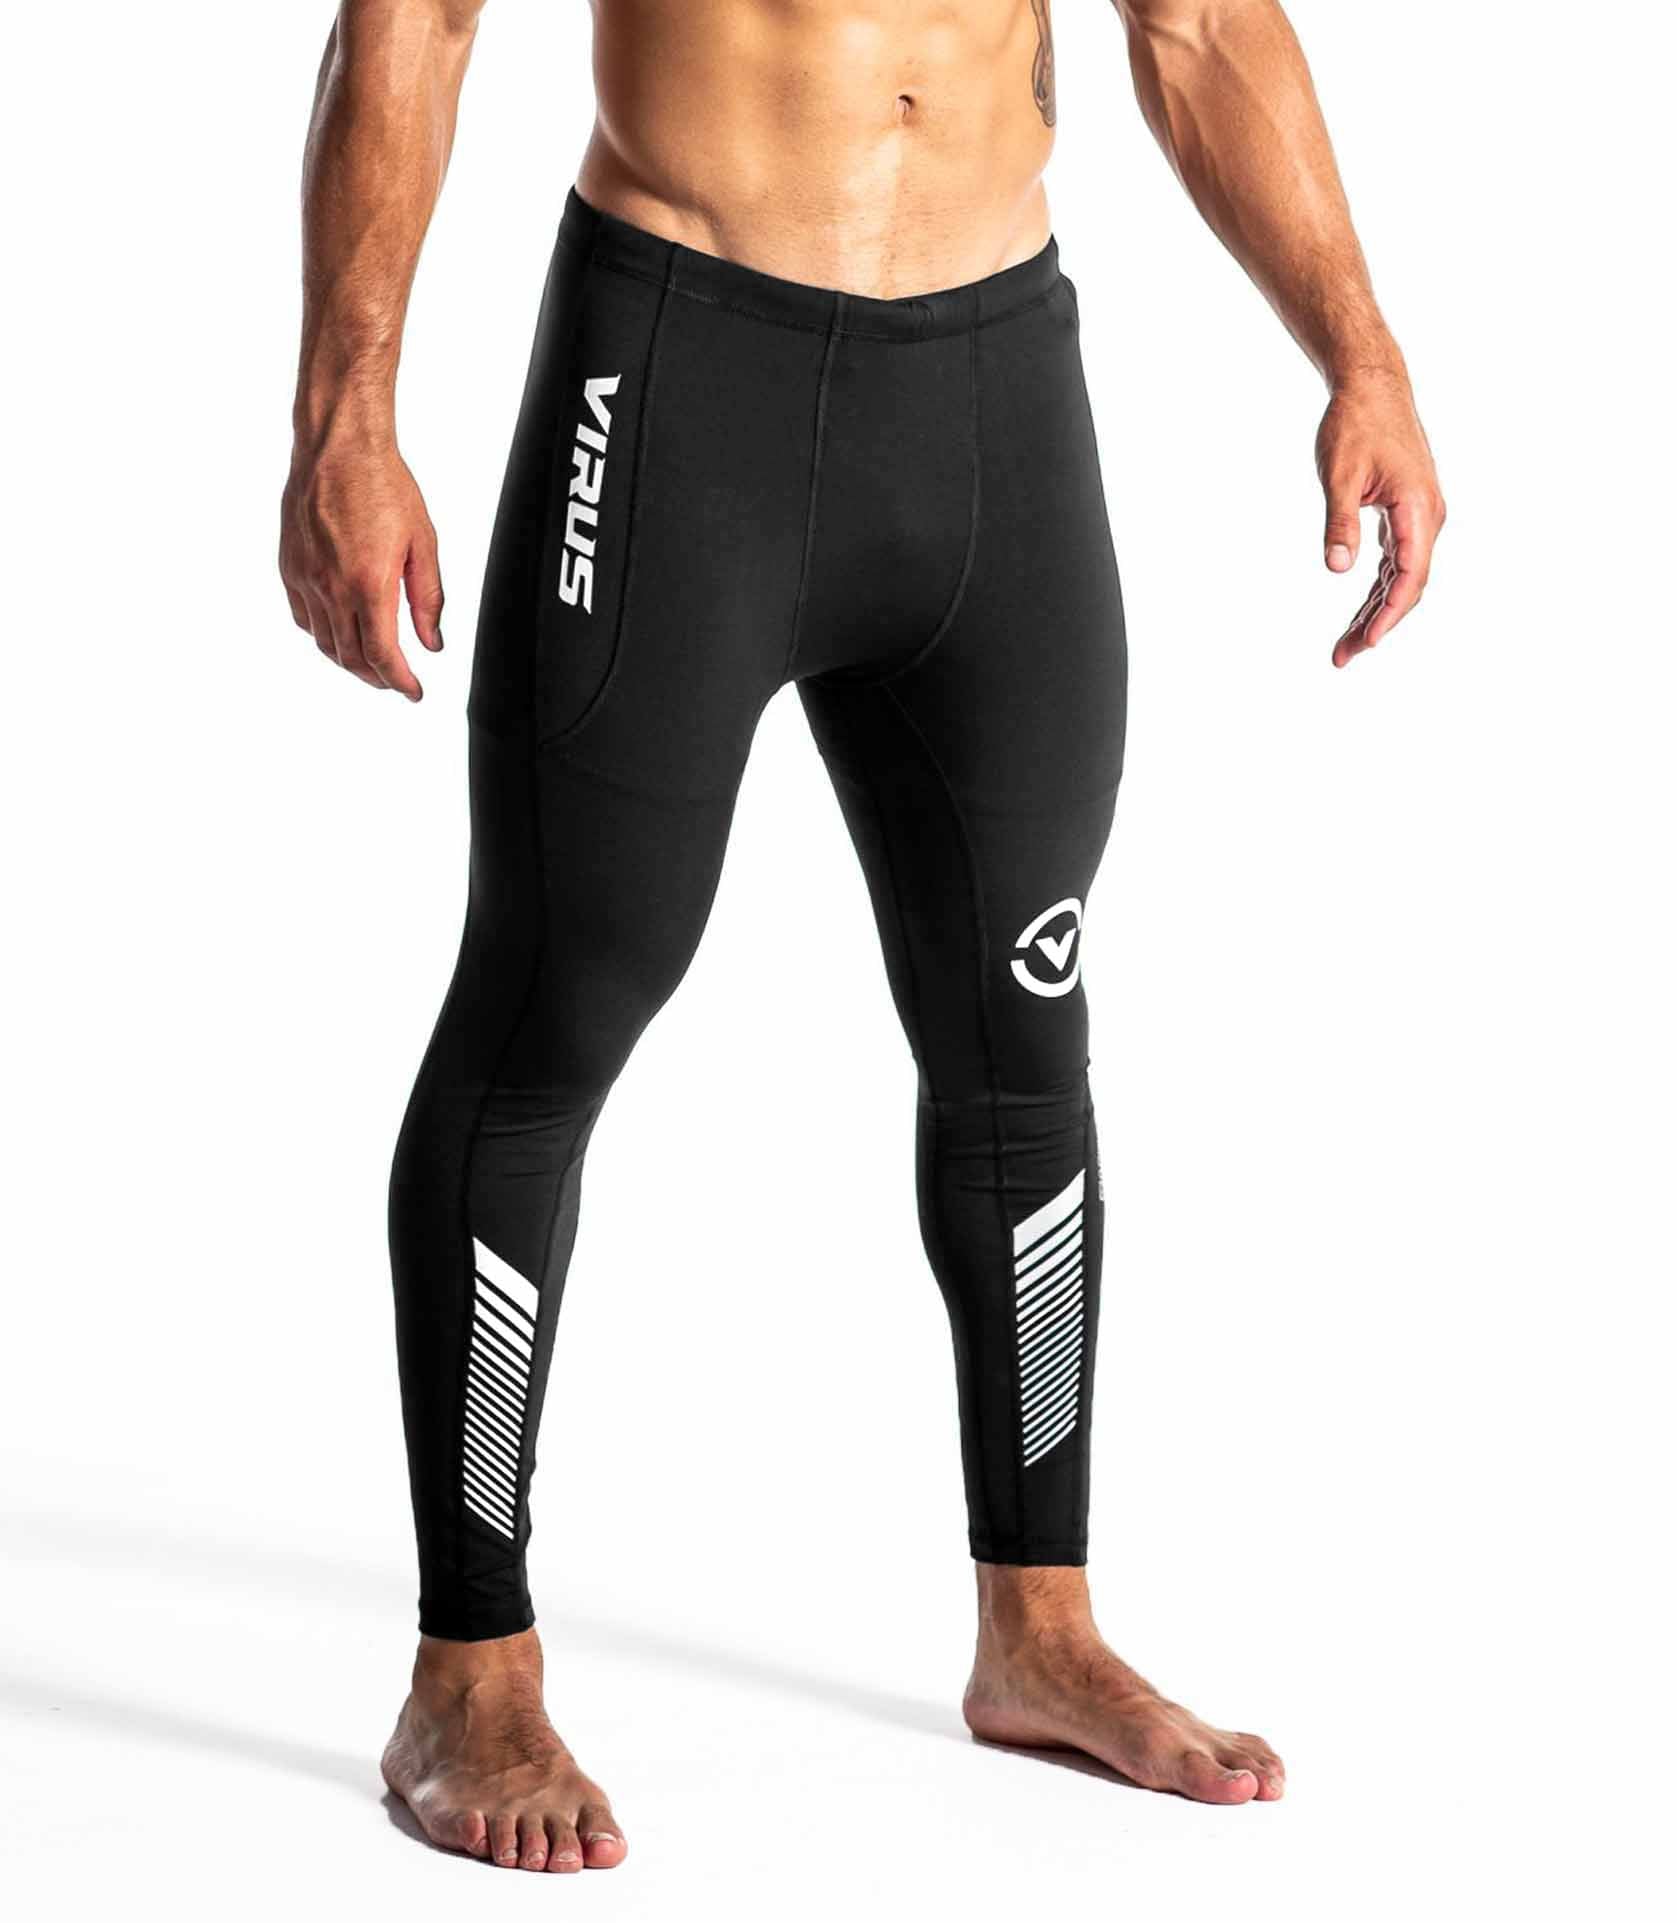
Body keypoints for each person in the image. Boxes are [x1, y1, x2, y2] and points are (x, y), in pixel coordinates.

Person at [279, 0, 1442, 1873]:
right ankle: (467, 1669)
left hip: (989, 391)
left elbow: (1202, 21)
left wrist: (1359, 353)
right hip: (679, 373)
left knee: (1022, 1032)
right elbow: (410, 18)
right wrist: (346, 416)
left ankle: (1038, 1629)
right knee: (552, 1013)